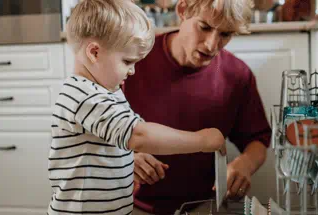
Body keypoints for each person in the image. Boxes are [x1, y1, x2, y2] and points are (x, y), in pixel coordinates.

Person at [47, 0, 226, 214]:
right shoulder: (82, 96)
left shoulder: (107, 91)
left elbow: (128, 132)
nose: (132, 71)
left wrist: (125, 163)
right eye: (127, 62)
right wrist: (202, 140)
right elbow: (138, 135)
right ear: (94, 53)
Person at [124, 0, 272, 214]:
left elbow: (257, 139)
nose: (212, 45)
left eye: (225, 34)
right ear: (182, 10)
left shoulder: (237, 75)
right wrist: (126, 159)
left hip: (205, 206)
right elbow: (95, 133)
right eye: (204, 27)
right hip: (133, 205)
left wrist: (245, 164)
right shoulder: (132, 60)